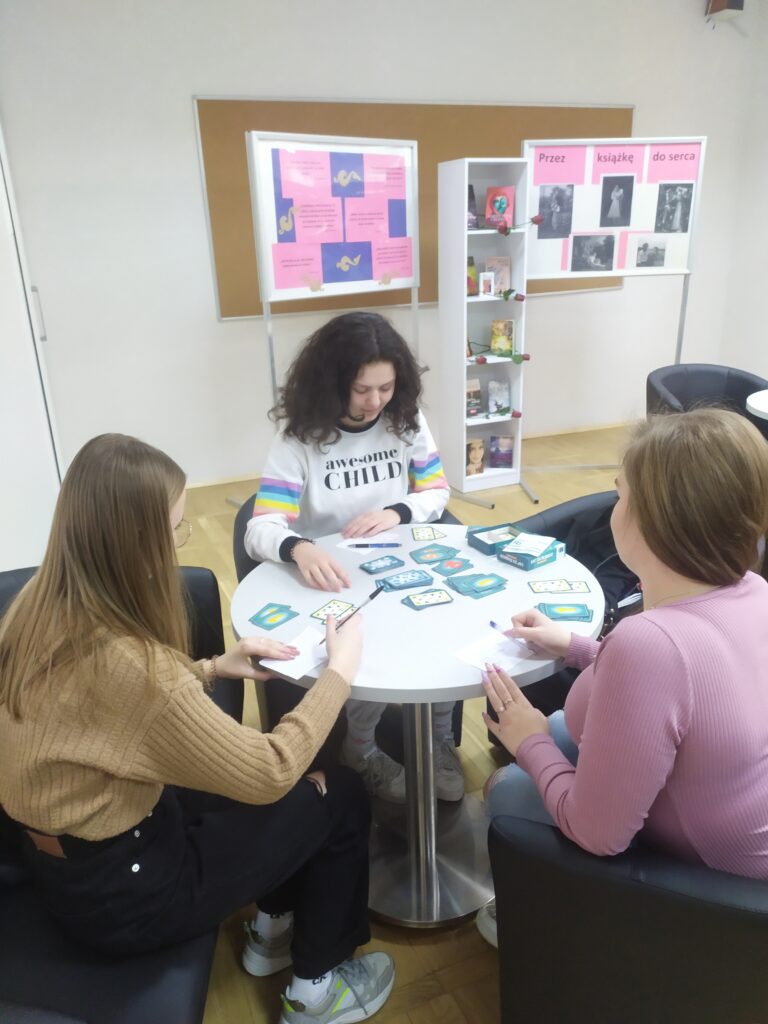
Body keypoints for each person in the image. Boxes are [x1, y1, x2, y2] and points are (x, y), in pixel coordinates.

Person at [0, 434, 395, 1024]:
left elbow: (101, 710)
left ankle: (272, 930)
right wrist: (340, 671)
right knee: (337, 793)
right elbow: (270, 770)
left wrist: (211, 668)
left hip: (66, 865)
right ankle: (315, 994)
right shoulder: (134, 669)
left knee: (247, 790)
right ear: (137, 541)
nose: (177, 542)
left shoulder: (34, 606)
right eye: (174, 529)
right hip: (127, 898)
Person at [475, 409, 768, 947]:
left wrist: (529, 740)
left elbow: (598, 835)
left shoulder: (649, 645)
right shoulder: (753, 589)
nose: (613, 507)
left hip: (713, 890)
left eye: (620, 494)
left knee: (508, 794)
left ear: (654, 521)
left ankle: (540, 922)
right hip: (738, 822)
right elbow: (684, 688)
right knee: (557, 727)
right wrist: (575, 646)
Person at [245, 311, 463, 805]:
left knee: (446, 629)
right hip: (336, 578)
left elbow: (435, 490)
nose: (375, 402)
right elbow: (260, 529)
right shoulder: (299, 438)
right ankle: (360, 749)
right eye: (362, 389)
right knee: (369, 645)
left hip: (399, 562)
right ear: (332, 383)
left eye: (386, 388)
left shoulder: (405, 419)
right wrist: (299, 547)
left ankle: (440, 740)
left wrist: (397, 511)